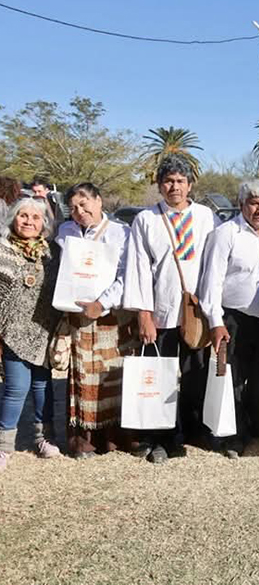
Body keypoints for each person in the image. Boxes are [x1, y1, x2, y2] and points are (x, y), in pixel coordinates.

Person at [123, 155, 219, 464]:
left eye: (180, 181)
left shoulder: (206, 217)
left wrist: (214, 310)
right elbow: (138, 268)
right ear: (159, 185)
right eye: (168, 181)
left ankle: (192, 430)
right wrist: (144, 314)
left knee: (195, 374)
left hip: (197, 313)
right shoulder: (146, 219)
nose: (174, 186)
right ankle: (161, 438)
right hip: (161, 312)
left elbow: (216, 264)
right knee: (160, 376)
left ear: (190, 185)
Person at [198, 179, 259, 459]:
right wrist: (215, 321)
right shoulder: (225, 234)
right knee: (234, 379)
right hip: (234, 319)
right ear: (241, 204)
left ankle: (258, 425)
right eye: (254, 203)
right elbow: (211, 281)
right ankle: (235, 435)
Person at [55, 183, 138, 458]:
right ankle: (84, 441)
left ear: (99, 201)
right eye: (73, 208)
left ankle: (117, 438)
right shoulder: (65, 232)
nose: (79, 211)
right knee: (83, 378)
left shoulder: (120, 233)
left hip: (111, 316)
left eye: (84, 204)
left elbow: (126, 276)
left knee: (112, 377)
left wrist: (101, 304)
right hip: (77, 316)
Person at [0, 198, 62, 470]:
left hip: (44, 331)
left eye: (35, 218)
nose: (28, 221)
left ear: (44, 224)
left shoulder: (53, 253)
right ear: (13, 218)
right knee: (15, 388)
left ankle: (44, 439)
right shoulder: (3, 249)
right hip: (11, 332)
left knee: (42, 386)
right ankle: (3, 447)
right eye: (23, 215)